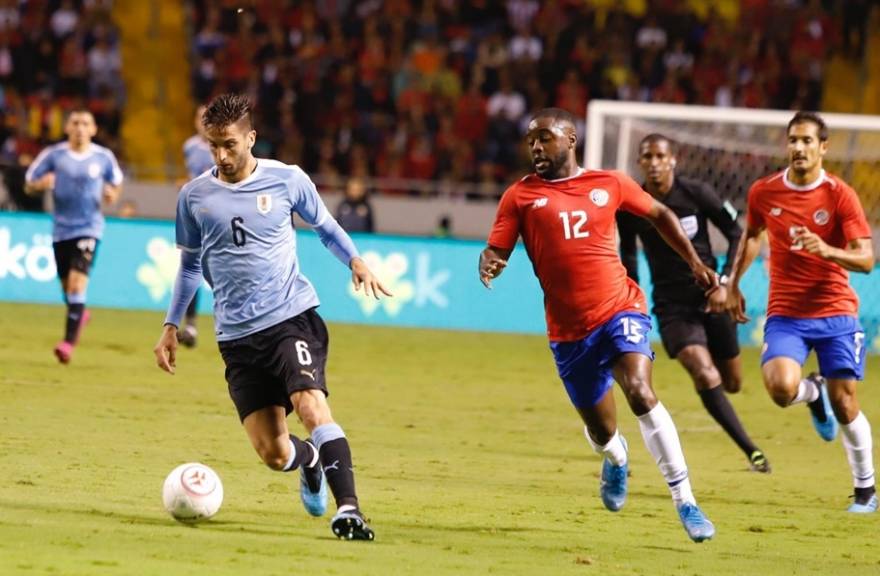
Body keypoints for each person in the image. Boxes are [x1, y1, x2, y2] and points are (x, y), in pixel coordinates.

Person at [153, 94, 391, 539]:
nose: (221, 156)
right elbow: (188, 266)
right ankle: (310, 460)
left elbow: (326, 227)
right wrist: (171, 324)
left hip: (289, 318)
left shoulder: (287, 179)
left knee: (310, 405)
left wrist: (356, 260)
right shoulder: (194, 196)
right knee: (274, 454)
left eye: (229, 144)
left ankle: (350, 510)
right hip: (236, 338)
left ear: (251, 138)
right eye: (213, 146)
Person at [480, 108, 718, 542]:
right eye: (531, 140)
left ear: (571, 139)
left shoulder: (610, 184)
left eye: (545, 137)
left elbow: (661, 215)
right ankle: (616, 457)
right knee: (601, 430)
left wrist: (695, 262)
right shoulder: (519, 196)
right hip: (569, 333)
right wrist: (490, 262)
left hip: (620, 308)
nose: (536, 147)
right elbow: (497, 248)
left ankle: (685, 500)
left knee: (640, 391)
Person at [719, 111, 876, 513]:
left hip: (836, 311)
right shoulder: (764, 191)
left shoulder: (840, 194)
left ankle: (865, 490)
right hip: (787, 313)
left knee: (846, 405)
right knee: (780, 388)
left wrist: (827, 250)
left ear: (823, 147)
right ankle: (812, 392)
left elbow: (865, 259)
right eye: (793, 140)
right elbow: (752, 236)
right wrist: (733, 284)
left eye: (807, 141)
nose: (799, 148)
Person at [618, 133, 770, 473]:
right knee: (702, 370)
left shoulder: (697, 193)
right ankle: (752, 451)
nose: (654, 163)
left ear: (673, 160)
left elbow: (737, 233)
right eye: (647, 157)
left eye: (660, 156)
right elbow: (628, 254)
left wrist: (727, 284)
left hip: (711, 297)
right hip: (671, 307)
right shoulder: (631, 206)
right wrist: (631, 299)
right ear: (640, 162)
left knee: (732, 383)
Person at [25, 109, 123, 364]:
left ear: (93, 129)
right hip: (61, 230)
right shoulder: (53, 155)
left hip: (89, 227)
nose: (80, 128)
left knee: (77, 285)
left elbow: (116, 182)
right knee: (67, 288)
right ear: (67, 127)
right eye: (75, 123)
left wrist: (112, 194)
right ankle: (79, 313)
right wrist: (40, 184)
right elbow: (29, 182)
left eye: (85, 123)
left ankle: (67, 344)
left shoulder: (103, 157)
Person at [177, 105, 215, 348]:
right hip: (194, 214)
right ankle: (190, 325)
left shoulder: (222, 146)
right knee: (192, 266)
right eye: (200, 117)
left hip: (220, 215)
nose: (203, 122)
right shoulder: (189, 146)